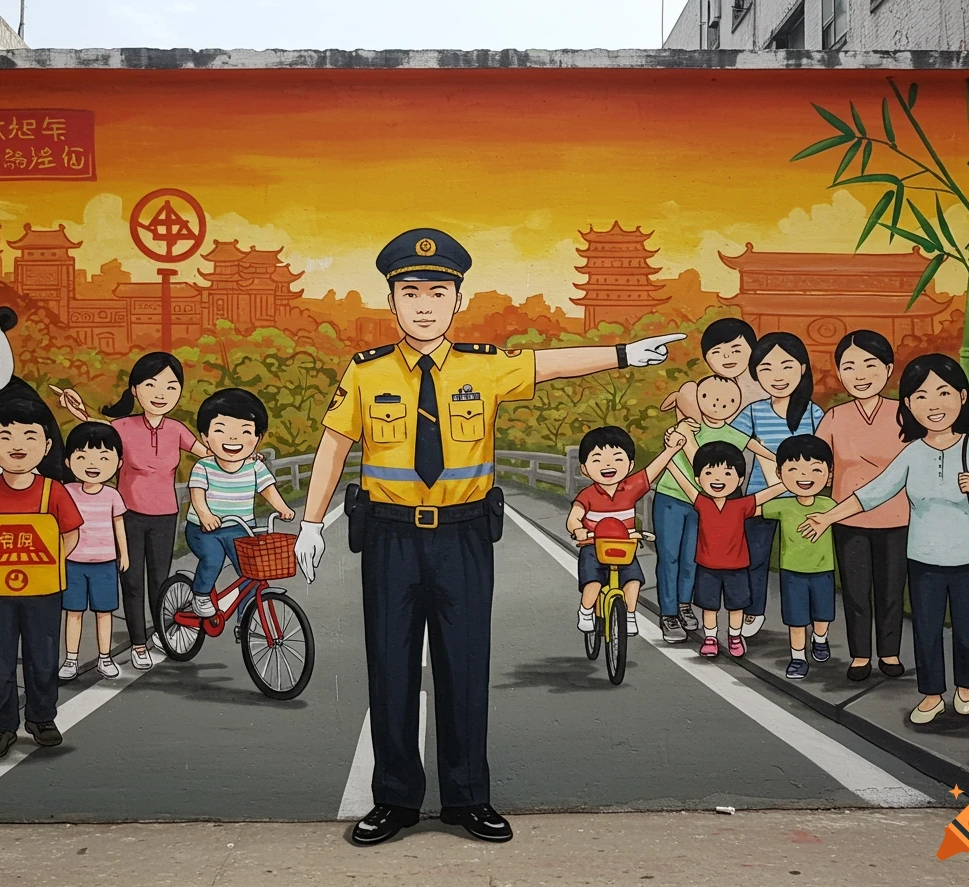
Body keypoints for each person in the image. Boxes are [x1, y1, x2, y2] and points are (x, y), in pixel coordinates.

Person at [292, 228, 685, 847]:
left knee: (465, 664)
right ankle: (394, 800)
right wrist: (311, 522)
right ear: (391, 302)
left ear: (457, 301)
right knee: (390, 666)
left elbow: (548, 365)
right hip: (392, 538)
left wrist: (624, 355)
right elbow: (335, 444)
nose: (424, 304)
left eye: (437, 292)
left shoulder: (484, 366)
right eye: (410, 292)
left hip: (464, 536)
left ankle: (468, 798)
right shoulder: (365, 372)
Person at [799, 354, 969, 725]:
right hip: (923, 559)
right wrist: (826, 517)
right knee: (927, 631)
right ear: (910, 405)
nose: (934, 405)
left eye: (943, 393)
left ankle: (966, 687)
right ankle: (931, 695)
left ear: (962, 397)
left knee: (967, 628)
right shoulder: (912, 452)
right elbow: (873, 493)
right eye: (921, 396)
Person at [815, 331, 969, 681]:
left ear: (888, 368)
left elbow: (941, 438)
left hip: (901, 518)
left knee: (892, 590)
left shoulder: (906, 412)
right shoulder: (834, 418)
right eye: (849, 367)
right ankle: (860, 655)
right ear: (839, 373)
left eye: (870, 364)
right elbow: (820, 465)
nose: (860, 374)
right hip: (849, 519)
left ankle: (890, 652)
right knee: (854, 590)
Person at [53, 352, 211, 671]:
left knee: (159, 581)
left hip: (166, 516)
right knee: (132, 582)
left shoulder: (177, 429)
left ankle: (160, 636)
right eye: (151, 385)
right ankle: (139, 644)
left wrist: (250, 459)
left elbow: (208, 454)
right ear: (135, 391)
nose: (161, 394)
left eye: (170, 386)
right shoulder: (123, 426)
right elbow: (97, 429)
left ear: (179, 390)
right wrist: (78, 410)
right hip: (128, 516)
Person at [0, 399, 84, 760]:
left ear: (46, 446)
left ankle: (41, 718)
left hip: (43, 590)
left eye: (30, 436)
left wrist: (48, 561)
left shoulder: (54, 492)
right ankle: (1, 725)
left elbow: (70, 533)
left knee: (42, 654)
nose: (18, 445)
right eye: (6, 436)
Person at [654, 375, 768, 642]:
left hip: (705, 504)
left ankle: (684, 604)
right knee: (669, 556)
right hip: (671, 495)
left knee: (693, 556)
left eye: (728, 400)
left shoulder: (733, 434)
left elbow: (760, 450)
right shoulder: (688, 425)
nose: (719, 404)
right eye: (711, 398)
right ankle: (668, 613)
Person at [730, 332, 825, 638]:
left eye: (786, 366)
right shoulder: (754, 411)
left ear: (802, 368)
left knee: (801, 565)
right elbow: (731, 438)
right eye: (766, 369)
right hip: (761, 498)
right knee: (755, 559)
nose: (777, 376)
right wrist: (763, 452)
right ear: (756, 374)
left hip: (803, 501)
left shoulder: (813, 413)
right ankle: (753, 610)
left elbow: (825, 451)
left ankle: (806, 621)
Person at [662, 440, 786, 659]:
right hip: (707, 567)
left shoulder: (742, 505)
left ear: (739, 479)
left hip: (737, 567)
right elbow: (684, 483)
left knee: (736, 606)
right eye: (710, 473)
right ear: (699, 479)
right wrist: (670, 460)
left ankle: (734, 636)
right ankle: (711, 638)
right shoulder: (701, 502)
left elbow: (768, 494)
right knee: (709, 607)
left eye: (727, 474)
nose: (718, 480)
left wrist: (788, 482)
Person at [566, 425, 687, 638]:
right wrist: (579, 529)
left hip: (623, 548)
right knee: (593, 581)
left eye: (617, 458)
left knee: (633, 580)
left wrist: (671, 450)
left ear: (630, 465)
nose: (608, 465)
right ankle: (585, 612)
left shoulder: (630, 488)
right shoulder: (587, 494)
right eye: (597, 460)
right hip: (593, 548)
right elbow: (574, 517)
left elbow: (652, 470)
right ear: (584, 469)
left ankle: (630, 615)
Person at [186, 388, 295, 617]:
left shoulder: (254, 466)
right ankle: (201, 594)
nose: (233, 439)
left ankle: (244, 615)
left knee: (252, 570)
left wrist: (283, 508)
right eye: (221, 430)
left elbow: (268, 489)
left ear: (257, 437)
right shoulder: (203, 467)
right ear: (205, 437)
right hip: (204, 530)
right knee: (213, 558)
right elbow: (197, 495)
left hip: (240, 528)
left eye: (245, 431)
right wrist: (205, 515)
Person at [760, 435, 837, 680]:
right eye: (794, 470)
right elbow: (751, 508)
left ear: (829, 474)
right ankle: (797, 657)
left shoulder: (830, 504)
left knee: (823, 613)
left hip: (823, 569)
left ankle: (820, 639)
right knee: (796, 618)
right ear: (781, 474)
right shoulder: (782, 505)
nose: (805, 477)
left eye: (816, 469)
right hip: (792, 572)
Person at [59, 422, 129, 682]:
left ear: (117, 463)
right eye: (82, 457)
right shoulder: (66, 492)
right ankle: (71, 659)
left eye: (103, 457)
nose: (93, 464)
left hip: (105, 563)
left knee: (104, 612)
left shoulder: (112, 495)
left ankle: (104, 657)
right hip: (73, 562)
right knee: (73, 612)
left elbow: (118, 524)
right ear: (68, 461)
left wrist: (125, 554)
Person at [664, 318, 768, 421]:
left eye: (736, 350)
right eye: (716, 352)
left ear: (753, 350)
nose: (726, 356)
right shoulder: (708, 388)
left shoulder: (766, 386)